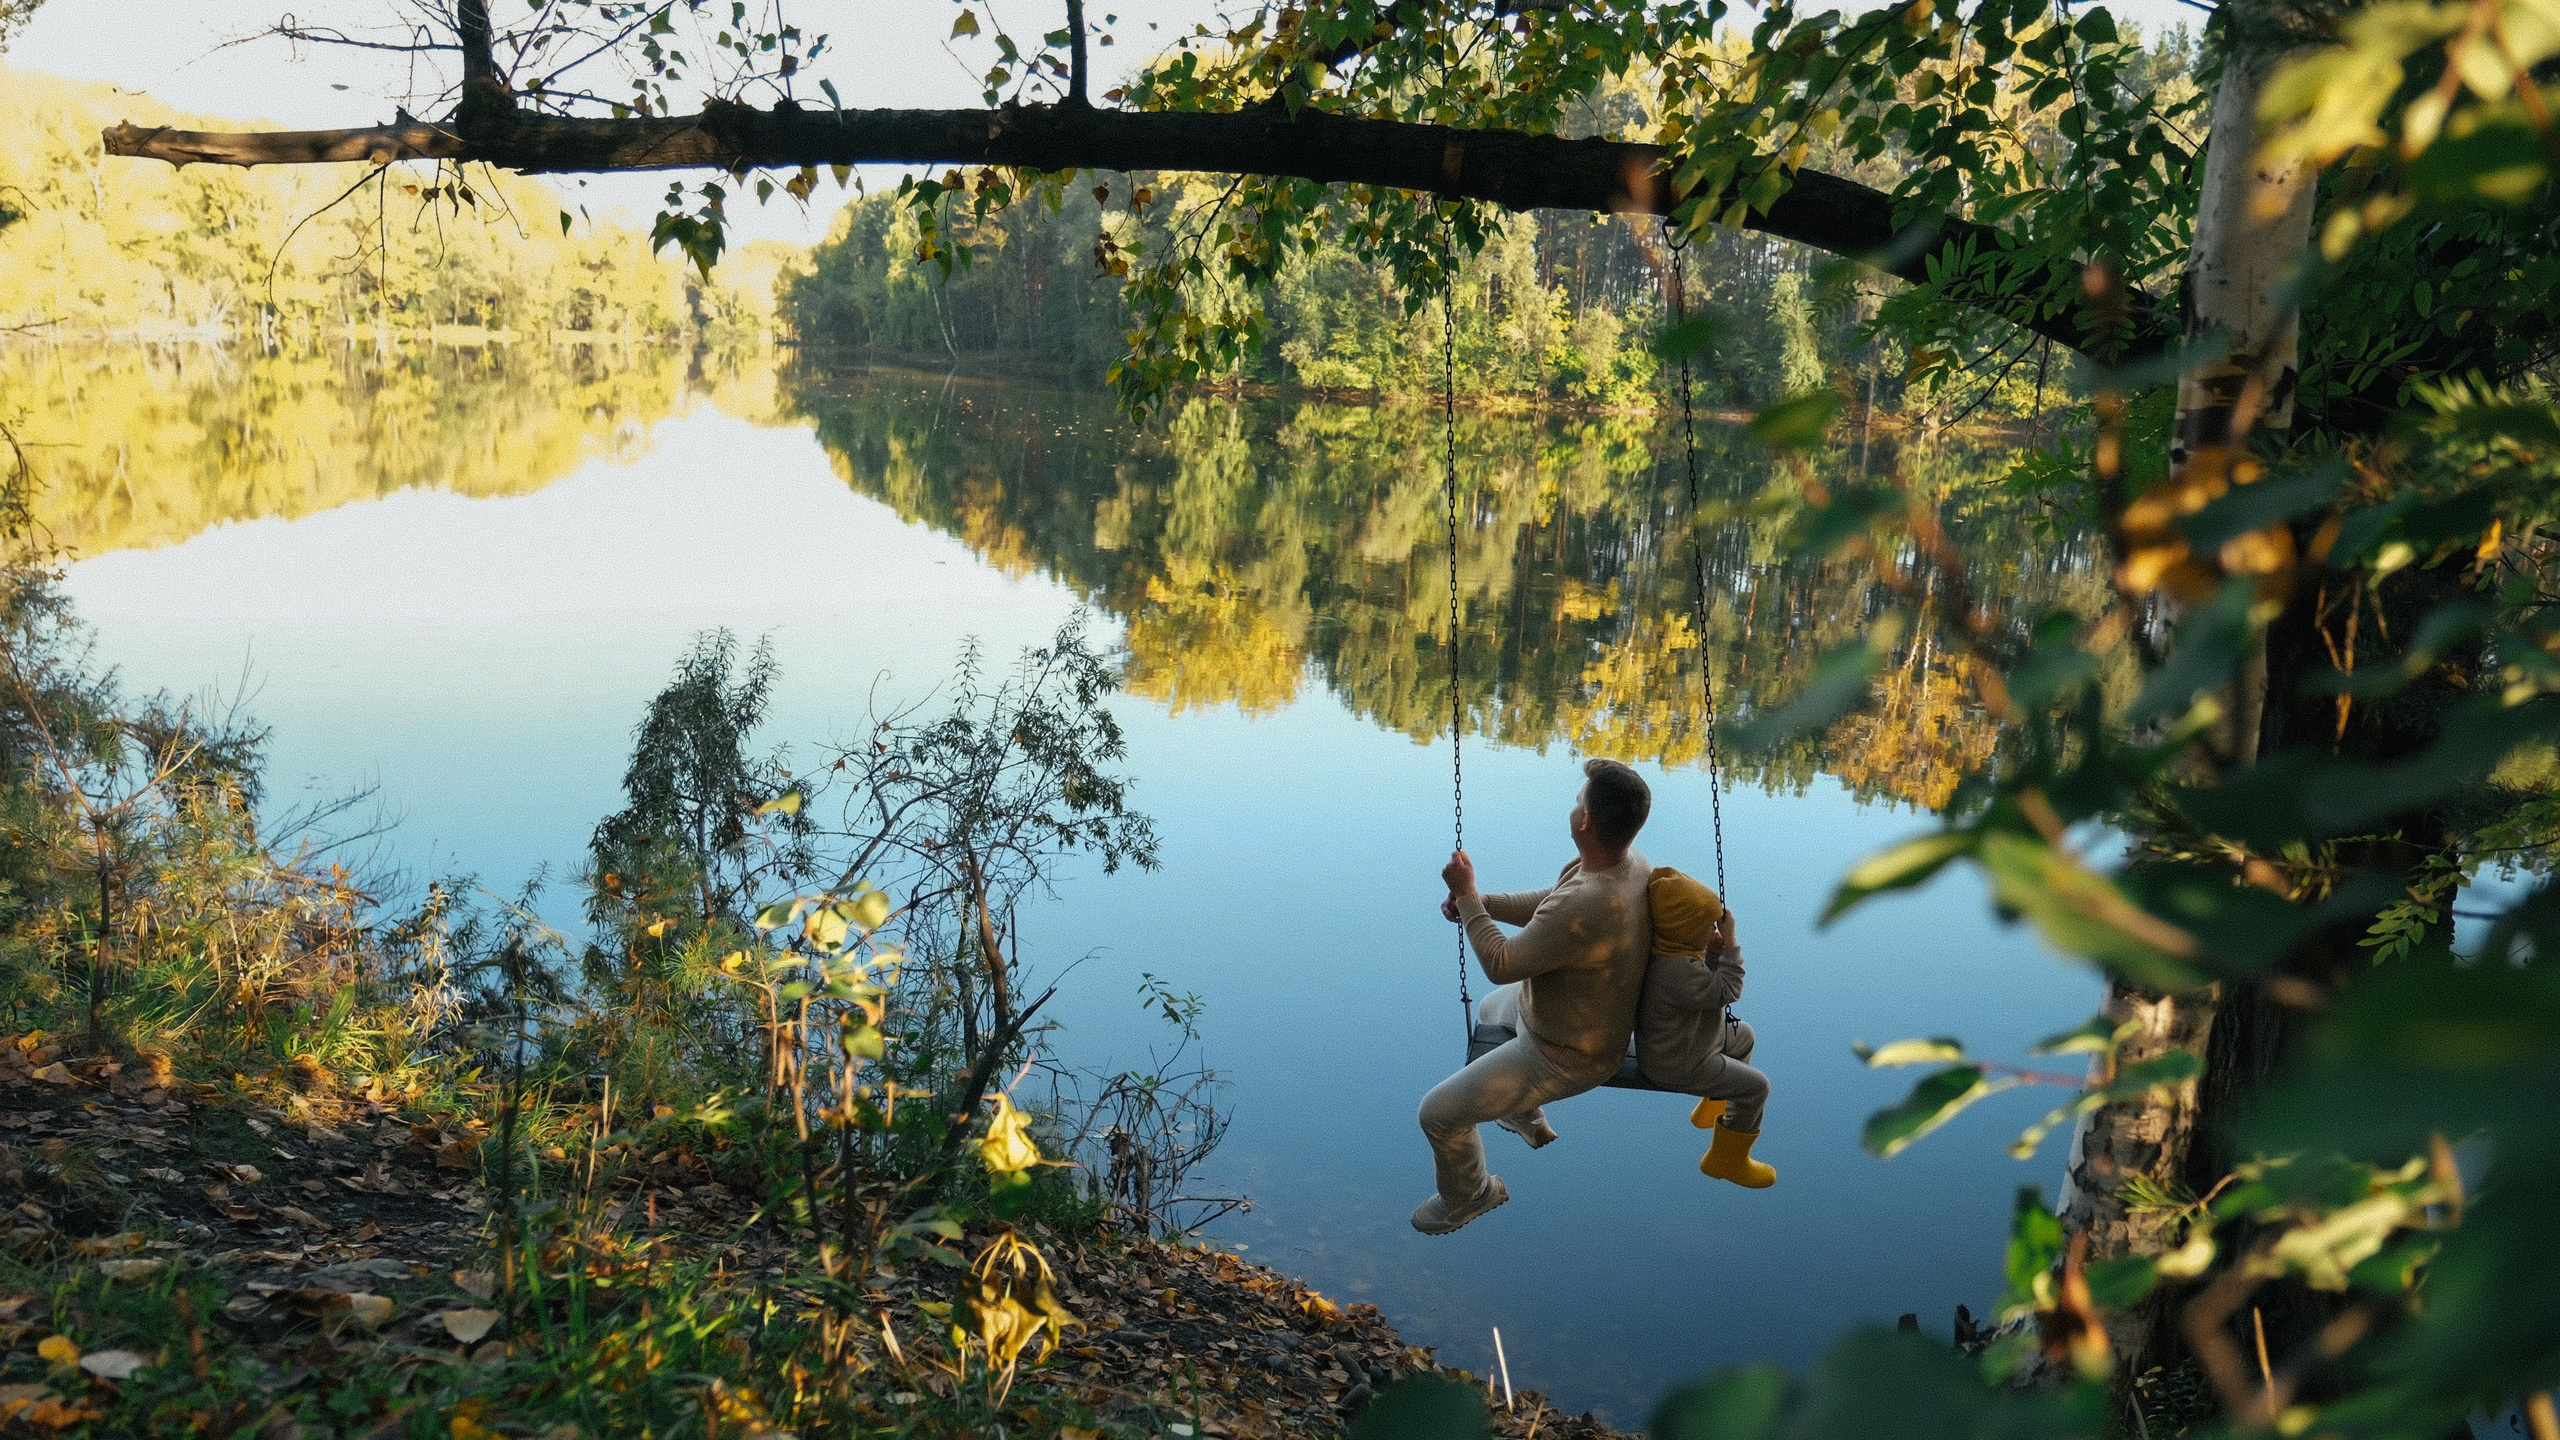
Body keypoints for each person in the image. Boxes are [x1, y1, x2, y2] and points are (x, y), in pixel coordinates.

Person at [1413, 759, 1655, 1235]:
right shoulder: (1622, 865)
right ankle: (1523, 1110)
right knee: (1490, 1007)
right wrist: (1477, 903)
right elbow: (1551, 906)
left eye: (1577, 800)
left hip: (1565, 1054)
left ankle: (1470, 1194)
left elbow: (1502, 961)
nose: (1573, 806)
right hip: (1554, 1016)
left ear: (1585, 820)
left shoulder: (1589, 901)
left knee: (1437, 1114)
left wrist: (1465, 899)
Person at [1636, 867, 1776, 1187]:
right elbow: (1727, 991)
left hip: (1685, 1041)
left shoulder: (1673, 955)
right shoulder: (1675, 971)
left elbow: (1702, 993)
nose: (1713, 929)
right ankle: (1725, 1161)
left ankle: (1714, 1108)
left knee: (1742, 1037)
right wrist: (1730, 943)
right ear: (1687, 930)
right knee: (1756, 1087)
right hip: (1677, 1063)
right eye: (1707, 926)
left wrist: (1711, 957)